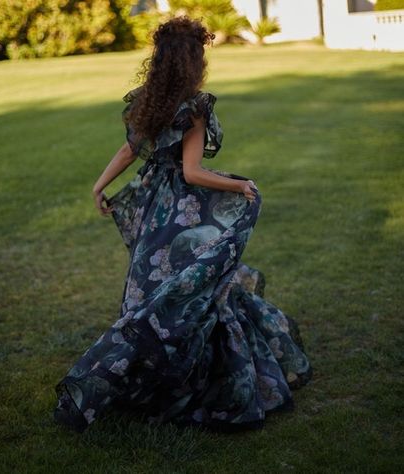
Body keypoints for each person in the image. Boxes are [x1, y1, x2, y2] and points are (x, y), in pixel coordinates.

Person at [53, 16, 312, 434]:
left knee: (149, 291)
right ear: (192, 62)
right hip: (180, 211)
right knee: (196, 291)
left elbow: (130, 150)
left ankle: (150, 378)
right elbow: (192, 172)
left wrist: (100, 186)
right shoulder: (193, 107)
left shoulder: (148, 100)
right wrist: (237, 183)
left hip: (150, 209)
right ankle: (200, 383)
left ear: (159, 61)